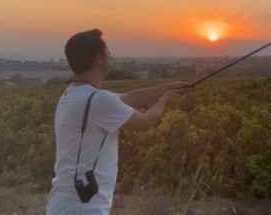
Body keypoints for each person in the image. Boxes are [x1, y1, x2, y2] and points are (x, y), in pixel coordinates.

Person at [46, 29, 188, 214]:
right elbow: (146, 121)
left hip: (65, 202)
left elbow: (129, 98)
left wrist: (167, 87)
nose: (110, 56)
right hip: (84, 207)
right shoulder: (99, 100)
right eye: (107, 52)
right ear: (98, 57)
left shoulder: (74, 94)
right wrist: (166, 98)